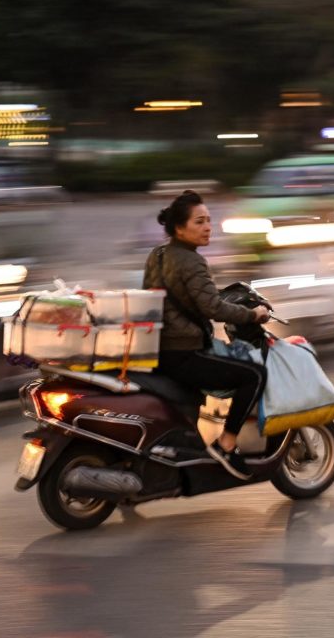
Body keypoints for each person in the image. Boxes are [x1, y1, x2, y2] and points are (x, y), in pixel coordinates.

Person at [143, 190, 270, 480]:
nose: (207, 227)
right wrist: (253, 314)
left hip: (160, 351)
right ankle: (226, 444)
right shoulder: (192, 261)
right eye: (199, 222)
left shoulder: (158, 254)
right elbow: (212, 307)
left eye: (209, 221)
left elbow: (172, 296)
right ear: (179, 228)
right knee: (254, 375)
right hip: (185, 354)